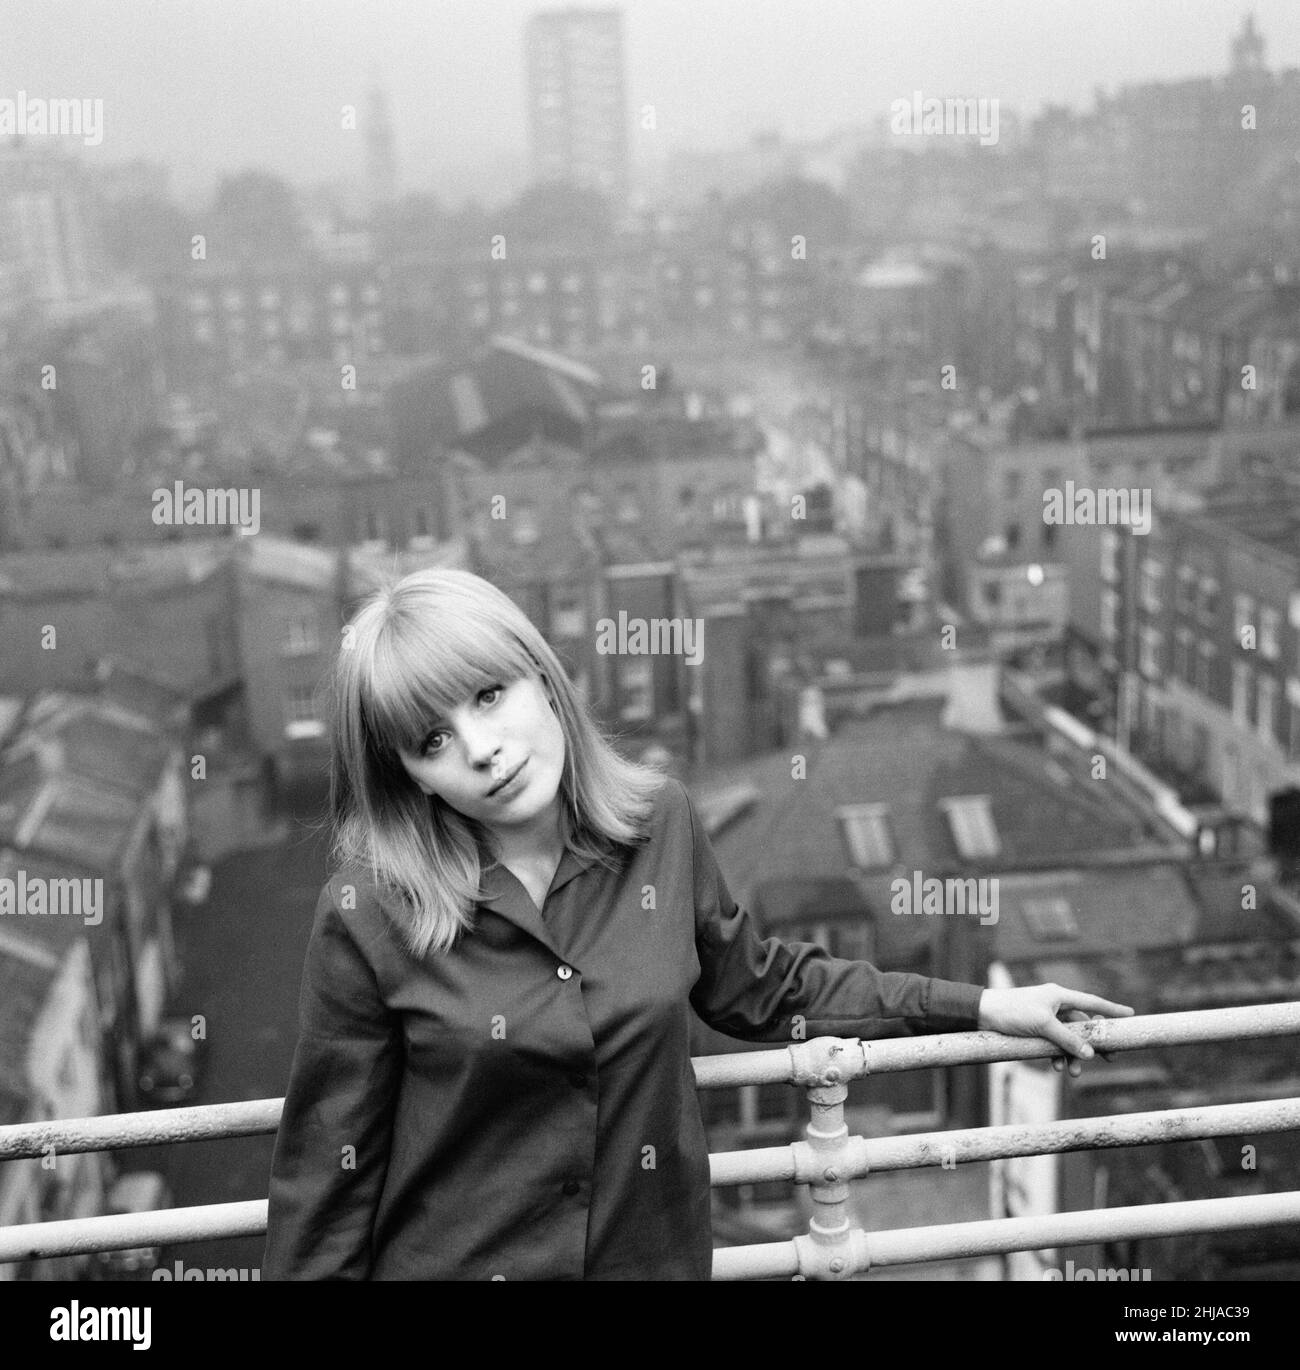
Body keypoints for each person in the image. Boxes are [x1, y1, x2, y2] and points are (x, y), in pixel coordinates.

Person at [262, 567, 1133, 1281]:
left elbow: (764, 986)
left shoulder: (658, 828)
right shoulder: (370, 912)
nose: (480, 747)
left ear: (543, 680)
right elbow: (326, 1187)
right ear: (410, 777)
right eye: (432, 741)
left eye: (489, 695)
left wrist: (981, 1007)